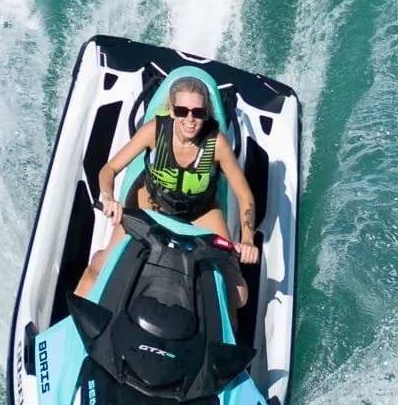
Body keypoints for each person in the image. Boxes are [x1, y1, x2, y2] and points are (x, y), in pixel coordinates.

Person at [74, 75, 259, 307]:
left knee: (237, 296)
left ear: (206, 114)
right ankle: (76, 313)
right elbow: (109, 169)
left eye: (198, 113)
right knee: (101, 265)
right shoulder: (154, 131)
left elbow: (244, 194)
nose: (190, 119)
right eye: (182, 111)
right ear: (172, 111)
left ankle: (223, 338)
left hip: (200, 209)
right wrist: (109, 198)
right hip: (150, 202)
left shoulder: (216, 143)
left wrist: (248, 240)